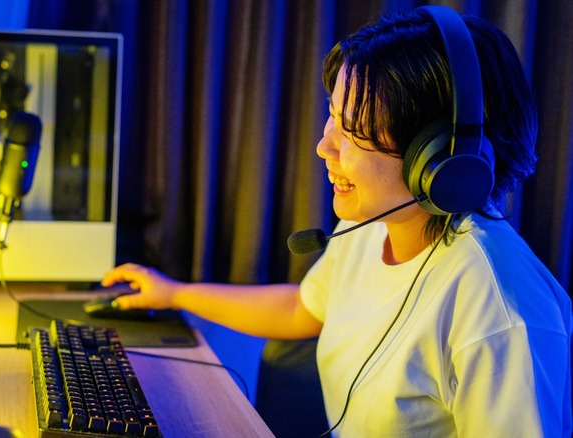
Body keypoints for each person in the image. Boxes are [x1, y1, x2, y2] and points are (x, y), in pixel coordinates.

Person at [102, 6, 573, 437]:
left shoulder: (502, 310)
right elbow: (302, 310)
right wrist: (174, 293)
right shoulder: (371, 225)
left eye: (354, 132)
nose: (324, 147)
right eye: (332, 117)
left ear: (440, 160)